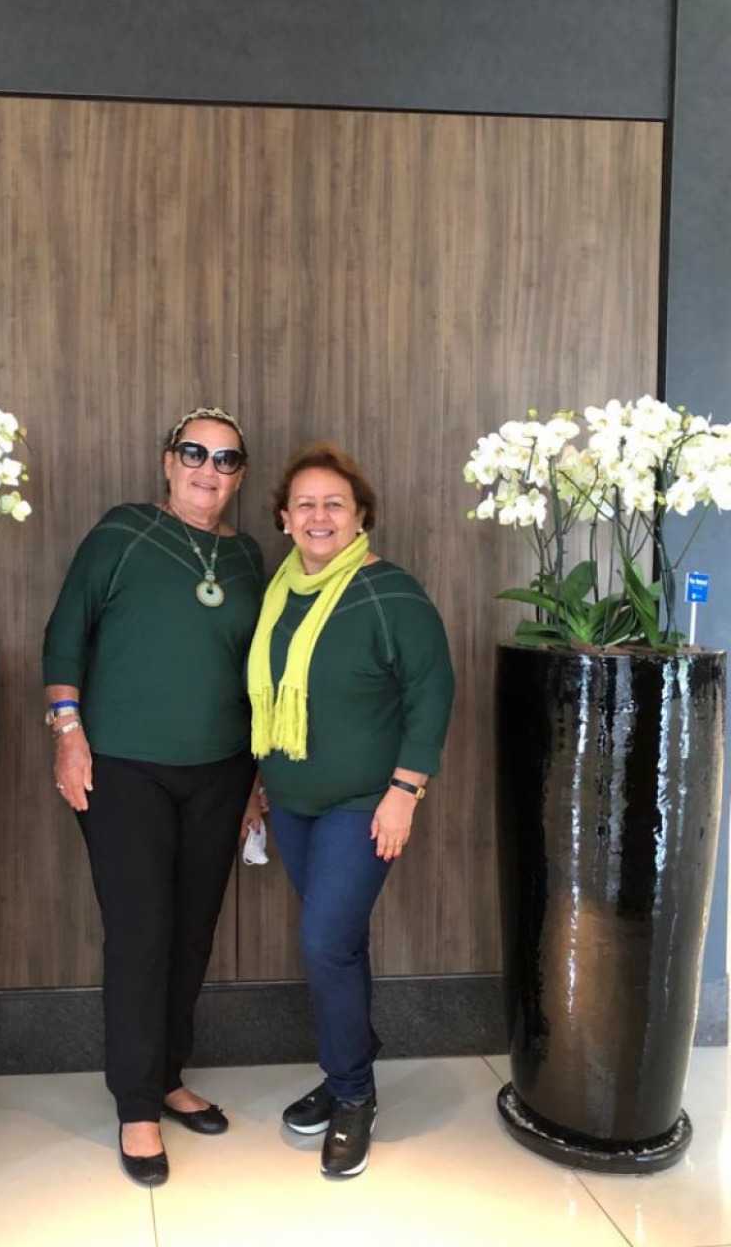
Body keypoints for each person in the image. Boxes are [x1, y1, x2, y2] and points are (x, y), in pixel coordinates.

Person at [42, 408, 265, 1187]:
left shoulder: (249, 557)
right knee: (140, 933)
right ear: (168, 461)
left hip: (222, 772)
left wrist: (258, 777)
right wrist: (68, 733)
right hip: (123, 770)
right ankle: (136, 1105)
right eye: (194, 453)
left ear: (240, 476)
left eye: (227, 459)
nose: (209, 469)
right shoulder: (123, 531)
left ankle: (168, 1075)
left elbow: (260, 670)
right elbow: (65, 634)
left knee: (192, 932)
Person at [247, 442, 454, 1179]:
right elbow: (266, 699)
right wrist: (258, 784)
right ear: (283, 519)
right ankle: (347, 1071)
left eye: (334, 503)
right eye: (304, 504)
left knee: (325, 942)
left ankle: (354, 1094)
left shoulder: (390, 592)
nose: (319, 515)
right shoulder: (279, 595)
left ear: (361, 516)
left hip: (365, 805)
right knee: (340, 944)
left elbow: (432, 693)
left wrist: (405, 792)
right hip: (291, 802)